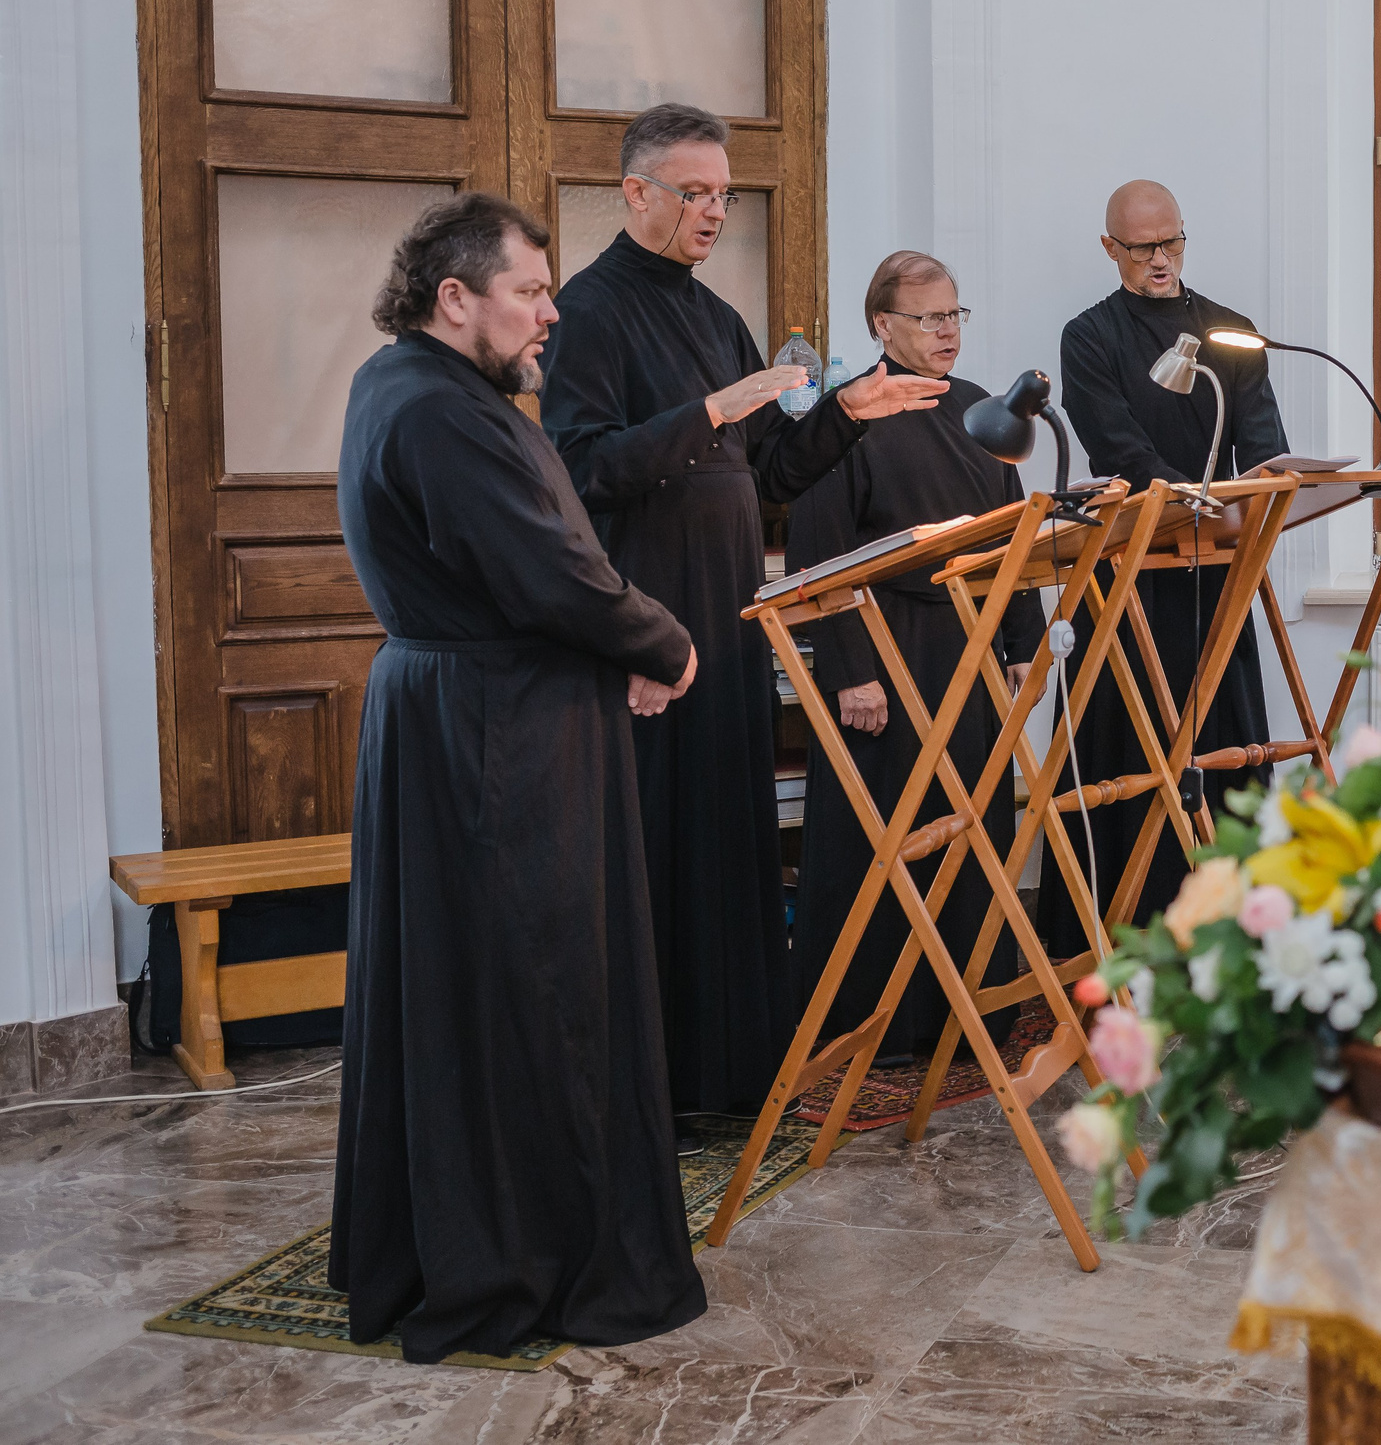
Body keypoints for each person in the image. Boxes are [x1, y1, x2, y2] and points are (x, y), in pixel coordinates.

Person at [331, 193, 703, 1364]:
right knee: (538, 990)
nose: (550, 314)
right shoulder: (435, 408)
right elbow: (548, 570)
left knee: (486, 987)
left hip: (477, 711)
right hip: (496, 730)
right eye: (530, 293)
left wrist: (615, 645)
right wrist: (661, 642)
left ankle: (488, 1229)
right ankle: (531, 1254)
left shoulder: (420, 387)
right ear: (456, 298)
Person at [541, 103, 945, 1125]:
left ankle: (727, 1077)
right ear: (637, 193)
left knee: (731, 844)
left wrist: (846, 415)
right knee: (660, 852)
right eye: (696, 193)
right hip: (645, 623)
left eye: (723, 194)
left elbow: (766, 472)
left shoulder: (716, 316)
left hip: (727, 617)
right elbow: (584, 466)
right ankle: (653, 1090)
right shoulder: (588, 311)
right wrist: (711, 411)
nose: (715, 212)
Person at [785, 252, 1043, 1059]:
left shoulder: (984, 412)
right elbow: (817, 550)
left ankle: (973, 1009)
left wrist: (1020, 641)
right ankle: (879, 1024)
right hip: (884, 651)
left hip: (970, 642)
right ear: (882, 327)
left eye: (955, 315)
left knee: (972, 820)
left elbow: (1013, 537)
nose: (946, 332)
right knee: (886, 835)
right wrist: (850, 665)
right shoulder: (849, 413)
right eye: (929, 318)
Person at [1042, 180, 1289, 955]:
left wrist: (1261, 492)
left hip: (1216, 576)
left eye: (1172, 242)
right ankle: (1121, 933)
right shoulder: (1088, 337)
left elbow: (1263, 440)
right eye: (1142, 246)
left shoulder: (1232, 334)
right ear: (1110, 249)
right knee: (1131, 751)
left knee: (1224, 745)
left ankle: (1235, 935)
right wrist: (1190, 502)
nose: (1160, 259)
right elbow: (1117, 446)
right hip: (1131, 574)